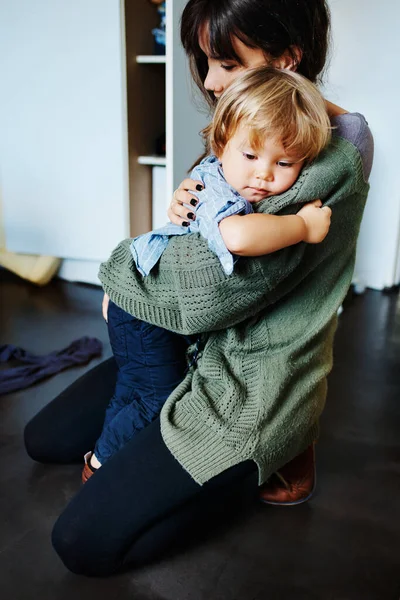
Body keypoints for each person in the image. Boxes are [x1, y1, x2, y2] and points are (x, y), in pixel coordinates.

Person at [23, 0, 373, 576]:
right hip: (191, 344)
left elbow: (216, 289)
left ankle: (269, 457)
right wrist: (185, 206)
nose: (209, 81)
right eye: (204, 61)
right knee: (44, 438)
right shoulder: (248, 127)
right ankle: (165, 418)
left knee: (81, 541)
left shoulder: (329, 152)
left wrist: (124, 275)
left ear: (287, 59)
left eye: (226, 63)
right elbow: (197, 232)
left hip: (246, 380)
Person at [84, 66, 332, 482]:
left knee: (133, 387)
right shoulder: (215, 188)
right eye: (250, 156)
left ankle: (103, 451)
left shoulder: (241, 179)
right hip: (144, 313)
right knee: (157, 397)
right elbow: (236, 236)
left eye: (284, 162)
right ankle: (102, 465)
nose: (264, 174)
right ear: (220, 146)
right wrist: (302, 227)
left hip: (146, 307)